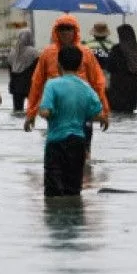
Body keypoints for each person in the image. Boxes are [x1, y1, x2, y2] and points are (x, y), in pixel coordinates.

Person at [24, 15, 109, 154]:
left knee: (84, 153)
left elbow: (98, 83)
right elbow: (37, 84)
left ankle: (85, 172)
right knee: (59, 150)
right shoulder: (47, 54)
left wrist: (103, 111)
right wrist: (30, 113)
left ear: (75, 31)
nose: (65, 32)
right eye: (61, 29)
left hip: (82, 108)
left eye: (69, 28)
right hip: (57, 111)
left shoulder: (86, 53)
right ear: (55, 31)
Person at [39, 45, 107, 197]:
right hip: (78, 143)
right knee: (74, 190)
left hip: (56, 143)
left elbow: (45, 111)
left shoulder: (52, 85)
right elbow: (99, 115)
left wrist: (47, 112)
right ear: (80, 64)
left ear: (58, 64)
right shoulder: (86, 87)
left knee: (53, 193)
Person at [107, 23, 137, 113]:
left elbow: (109, 66)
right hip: (132, 83)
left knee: (117, 111)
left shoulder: (117, 49)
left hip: (118, 83)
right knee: (129, 111)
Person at [7, 27, 39, 114]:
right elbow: (38, 71)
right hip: (30, 86)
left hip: (15, 87)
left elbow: (10, 72)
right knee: (33, 111)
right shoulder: (34, 52)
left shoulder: (12, 52)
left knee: (17, 111)